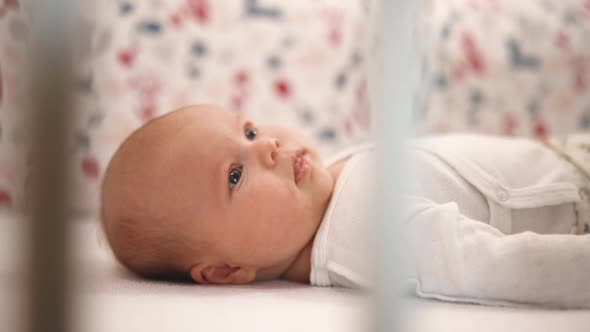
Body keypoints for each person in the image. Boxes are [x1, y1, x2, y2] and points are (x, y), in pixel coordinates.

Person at [101, 104, 590, 308]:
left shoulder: (322, 192)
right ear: (226, 270)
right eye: (235, 175)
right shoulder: (362, 233)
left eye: (248, 131)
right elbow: (494, 266)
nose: (267, 145)